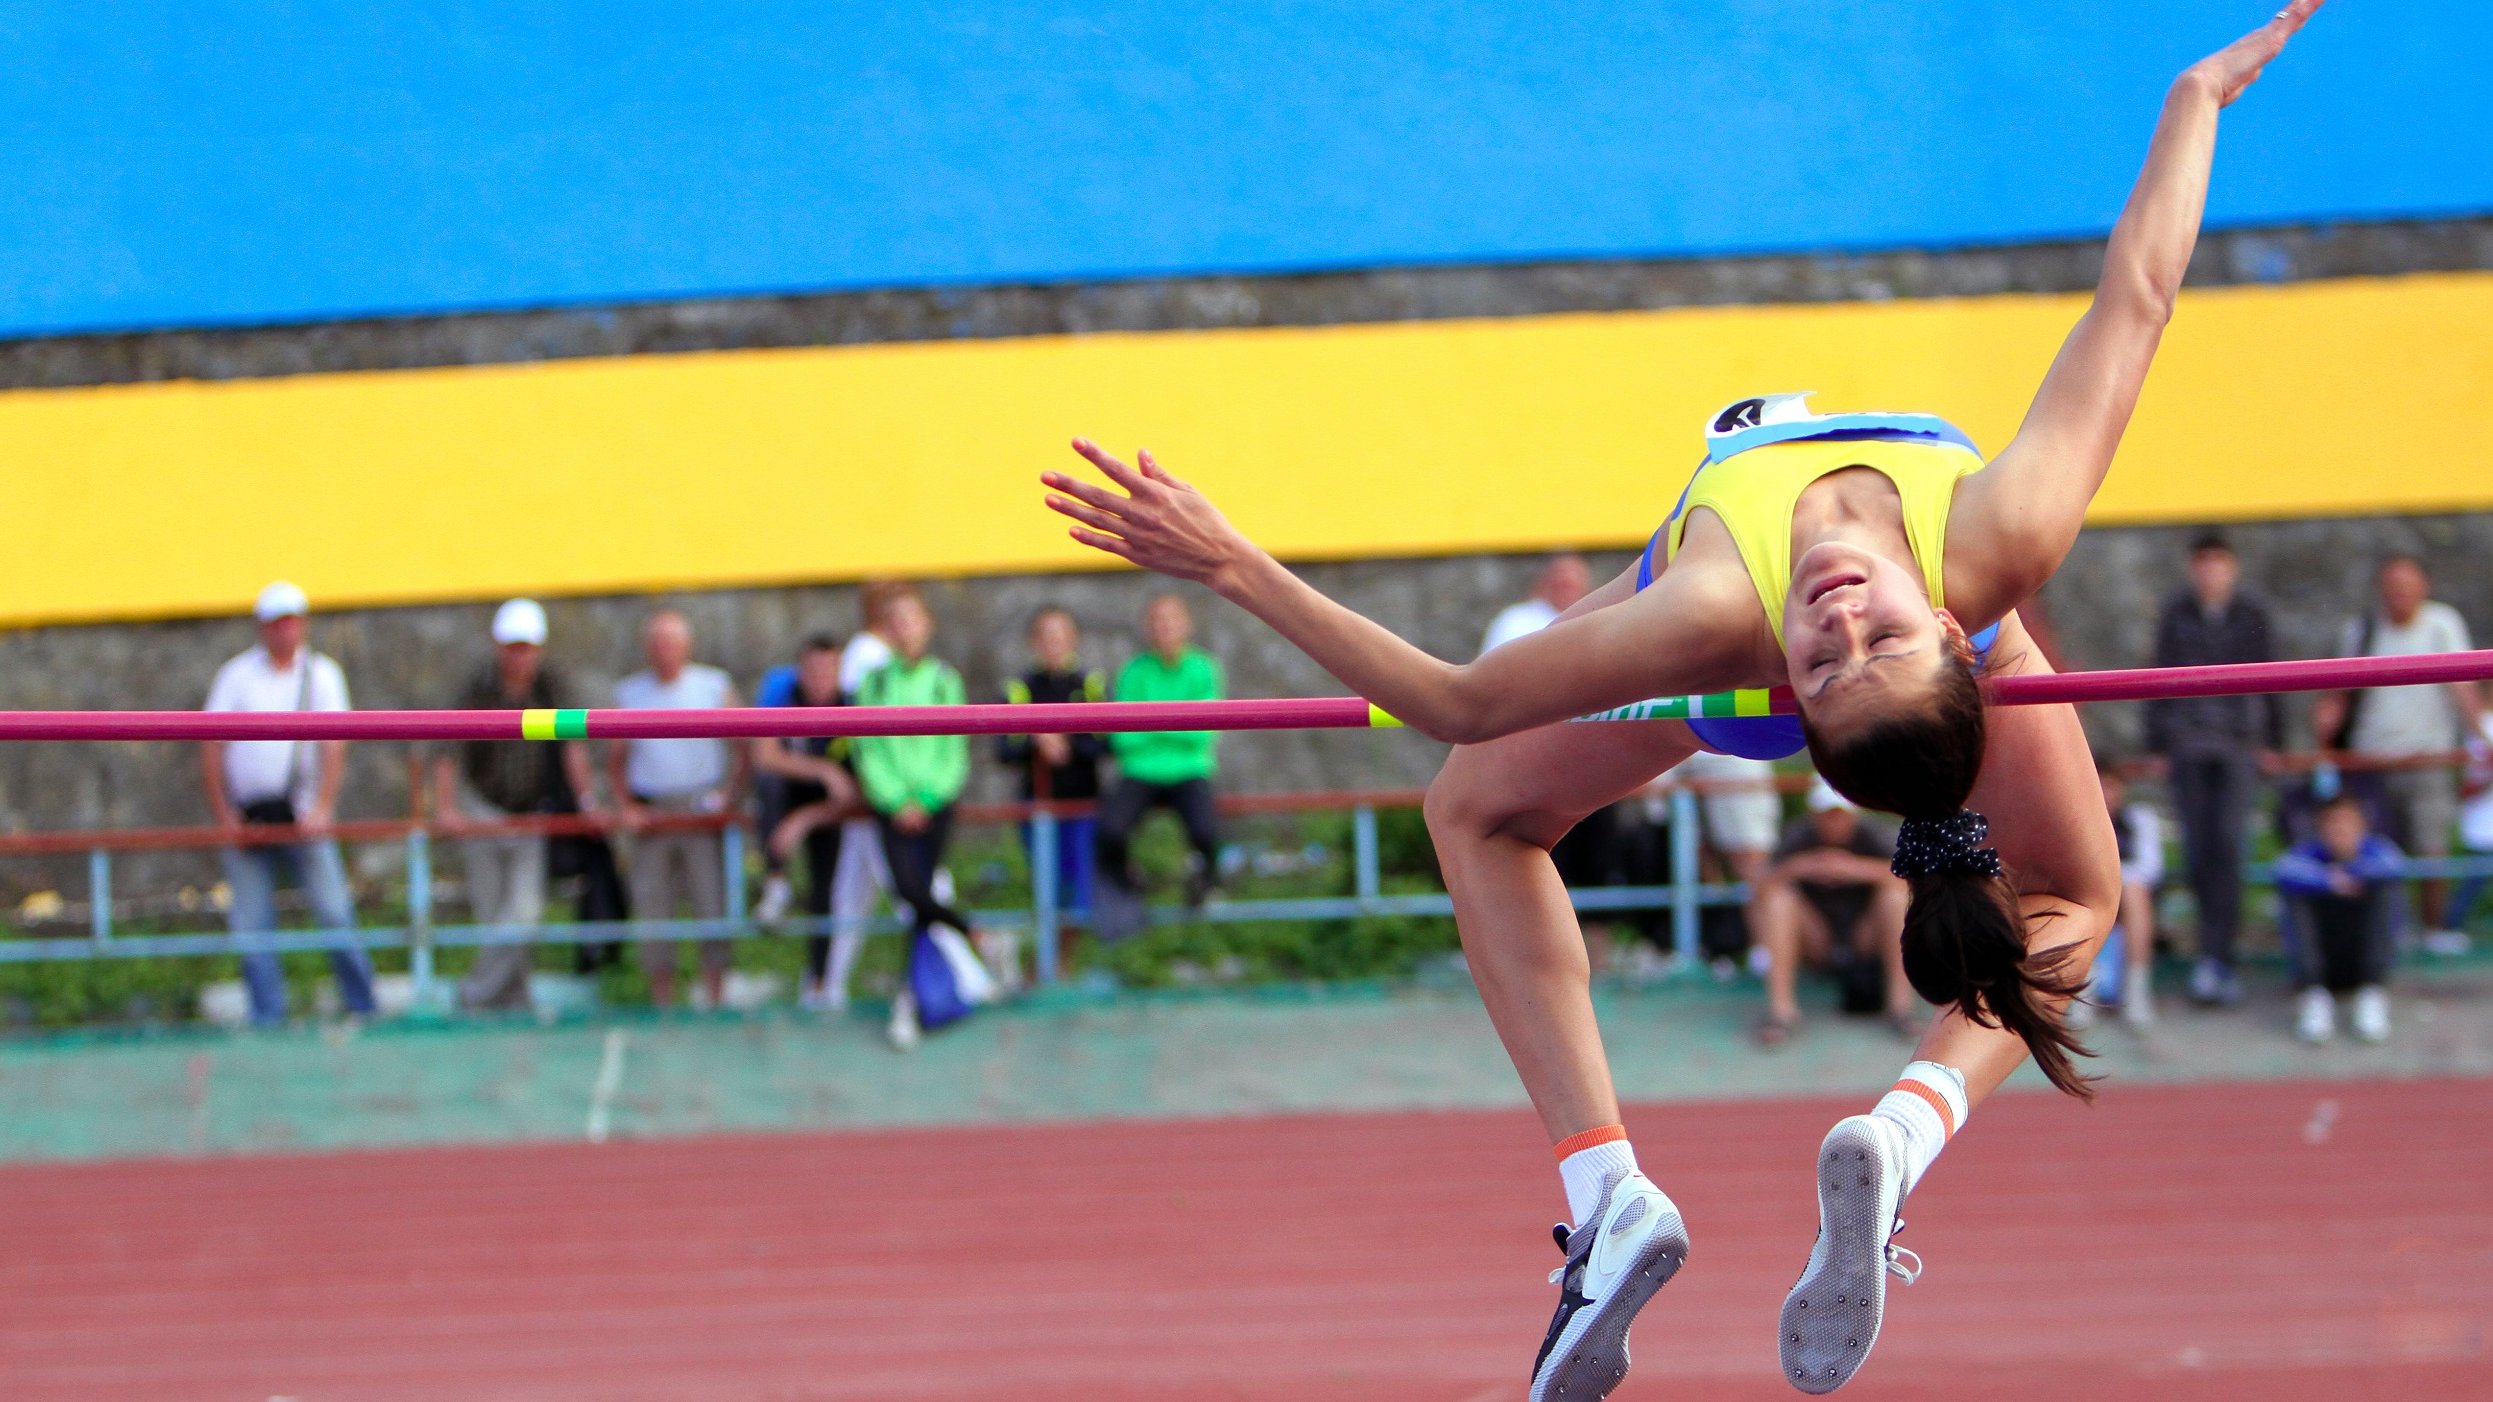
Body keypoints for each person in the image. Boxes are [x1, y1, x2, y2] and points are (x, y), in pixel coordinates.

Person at [1042, 11, 2318, 1396]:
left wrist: (1231, 562)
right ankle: (1725, 1171)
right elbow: (2136, 293)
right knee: (2054, 885)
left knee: (1493, 813)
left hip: (1860, 656)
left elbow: (1457, 702)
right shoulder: (1948, 550)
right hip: (1855, 668)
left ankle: (1821, 1151)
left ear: (1833, 681)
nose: (1837, 611)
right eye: (1855, 632)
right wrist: (2195, 101)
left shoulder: (1797, 611)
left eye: (1839, 649)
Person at [201, 581, 379, 1027]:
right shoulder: (236, 675)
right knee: (252, 925)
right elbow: (210, 743)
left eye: (291, 621)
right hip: (247, 818)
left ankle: (363, 1007)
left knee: (335, 913)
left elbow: (334, 744)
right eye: (277, 623)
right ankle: (268, 1018)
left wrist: (322, 808)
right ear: (263, 628)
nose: (285, 632)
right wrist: (225, 817)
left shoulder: (322, 674)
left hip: (304, 817)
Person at [433, 599, 599, 1013]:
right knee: (494, 916)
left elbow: (573, 745)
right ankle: (513, 999)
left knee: (523, 916)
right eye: (512, 646)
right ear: (498, 646)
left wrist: (587, 801)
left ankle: (472, 995)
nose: (519, 655)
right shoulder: (477, 686)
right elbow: (446, 746)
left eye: (526, 646)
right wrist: (447, 807)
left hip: (531, 813)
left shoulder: (551, 686)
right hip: (483, 811)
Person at [2313, 556, 2485, 946]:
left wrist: (2481, 741)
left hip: (2429, 758)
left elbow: (2463, 688)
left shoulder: (2442, 624)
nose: (2399, 595)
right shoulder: (2361, 631)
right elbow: (2337, 694)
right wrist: (2324, 745)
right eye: (2392, 587)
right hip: (2370, 761)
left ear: (2424, 586)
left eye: (2407, 586)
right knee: (2374, 852)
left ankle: (2433, 930)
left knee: (2431, 848)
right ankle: (2388, 932)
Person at [2144, 532, 2278, 1007]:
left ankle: (2222, 957)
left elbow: (2273, 676)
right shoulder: (2176, 613)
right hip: (2189, 742)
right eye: (2202, 563)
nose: (2210, 573)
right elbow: (2156, 676)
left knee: (2229, 846)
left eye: (2218, 563)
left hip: (2239, 742)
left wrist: (2272, 743)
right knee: (2199, 851)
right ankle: (2206, 955)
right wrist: (2158, 743)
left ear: (2232, 567)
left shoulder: (2253, 613)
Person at [850, 591, 982, 1048]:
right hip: (890, 806)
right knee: (913, 893)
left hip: (934, 805)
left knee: (918, 902)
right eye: (896, 620)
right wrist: (895, 799)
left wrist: (926, 798)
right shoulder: (874, 683)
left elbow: (955, 746)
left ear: (927, 626)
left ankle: (911, 1004)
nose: (905, 628)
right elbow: (866, 747)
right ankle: (977, 935)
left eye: (912, 618)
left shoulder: (945, 679)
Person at [609, 609, 745, 1009]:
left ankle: (715, 998)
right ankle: (662, 1002)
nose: (664, 650)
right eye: (657, 642)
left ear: (687, 645)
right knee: (653, 907)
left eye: (672, 641)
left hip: (703, 808)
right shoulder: (630, 693)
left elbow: (745, 748)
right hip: (653, 812)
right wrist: (627, 806)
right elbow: (615, 760)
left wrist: (727, 796)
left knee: (711, 903)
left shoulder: (713, 686)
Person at [749, 635, 865, 1011]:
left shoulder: (853, 706)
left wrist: (804, 819)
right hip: (790, 796)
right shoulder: (783, 697)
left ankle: (820, 980)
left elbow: (856, 791)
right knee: (767, 786)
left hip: (831, 812)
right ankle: (775, 880)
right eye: (811, 668)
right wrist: (821, 769)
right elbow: (765, 757)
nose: (818, 677)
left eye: (827, 668)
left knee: (826, 893)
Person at [1751, 782, 1911, 1043]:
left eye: (1840, 815)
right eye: (1827, 815)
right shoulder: (1797, 836)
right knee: (1779, 899)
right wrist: (1799, 867)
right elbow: (1760, 888)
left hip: (1863, 937)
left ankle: (1900, 1007)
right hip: (1817, 939)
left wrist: (1855, 870)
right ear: (1814, 814)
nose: (1833, 822)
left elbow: (1911, 882)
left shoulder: (1874, 836)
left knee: (1894, 897)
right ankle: (1780, 1010)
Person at [1099, 594, 1226, 914]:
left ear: (1187, 625)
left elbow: (1204, 731)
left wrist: (1153, 725)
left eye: (1171, 621)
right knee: (1110, 830)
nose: (1164, 628)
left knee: (1207, 831)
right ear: (1147, 629)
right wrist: (1178, 724)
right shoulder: (1134, 672)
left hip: (1188, 768)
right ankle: (1128, 882)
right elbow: (1124, 735)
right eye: (1157, 621)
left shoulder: (1203, 668)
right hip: (1141, 769)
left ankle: (1207, 882)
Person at [998, 607, 1107, 926]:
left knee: (1083, 891)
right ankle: (1048, 966)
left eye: (1060, 636)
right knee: (1049, 891)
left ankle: (1065, 965)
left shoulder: (1089, 685)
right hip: (1039, 804)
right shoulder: (1020, 688)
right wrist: (1037, 740)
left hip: (1083, 803)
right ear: (1034, 641)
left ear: (1073, 639)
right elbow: (1004, 748)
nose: (1053, 644)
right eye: (1046, 636)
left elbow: (1106, 743)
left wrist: (1066, 741)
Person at [2273, 792, 2403, 1043]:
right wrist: (2329, 881)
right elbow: (2284, 869)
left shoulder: (2376, 850)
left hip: (2363, 960)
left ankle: (2371, 994)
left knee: (2384, 892)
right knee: (2297, 895)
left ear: (2361, 825)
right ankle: (2314, 997)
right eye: (2331, 822)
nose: (2339, 829)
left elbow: (2394, 865)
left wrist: (2352, 875)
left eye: (2345, 821)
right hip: (2321, 962)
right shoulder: (2309, 854)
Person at [829, 582, 907, 961]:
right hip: (880, 789)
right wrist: (879, 785)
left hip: (886, 787)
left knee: (854, 893)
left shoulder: (883, 657)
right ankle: (973, 971)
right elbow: (864, 729)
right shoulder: (869, 656)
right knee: (910, 889)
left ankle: (828, 988)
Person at [2071, 758, 2163, 1029]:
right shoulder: (2071, 821)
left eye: (2110, 786)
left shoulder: (2140, 819)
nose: (2104, 793)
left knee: (2134, 894)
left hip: (2127, 897)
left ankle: (2137, 991)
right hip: (2085, 898)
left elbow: (2149, 869)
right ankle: (2081, 990)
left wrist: (2108, 879)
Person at [1483, 554, 1593, 654]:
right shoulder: (1514, 620)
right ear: (1545, 582)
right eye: (1562, 584)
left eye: (1571, 585)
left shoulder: (1593, 617)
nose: (1566, 591)